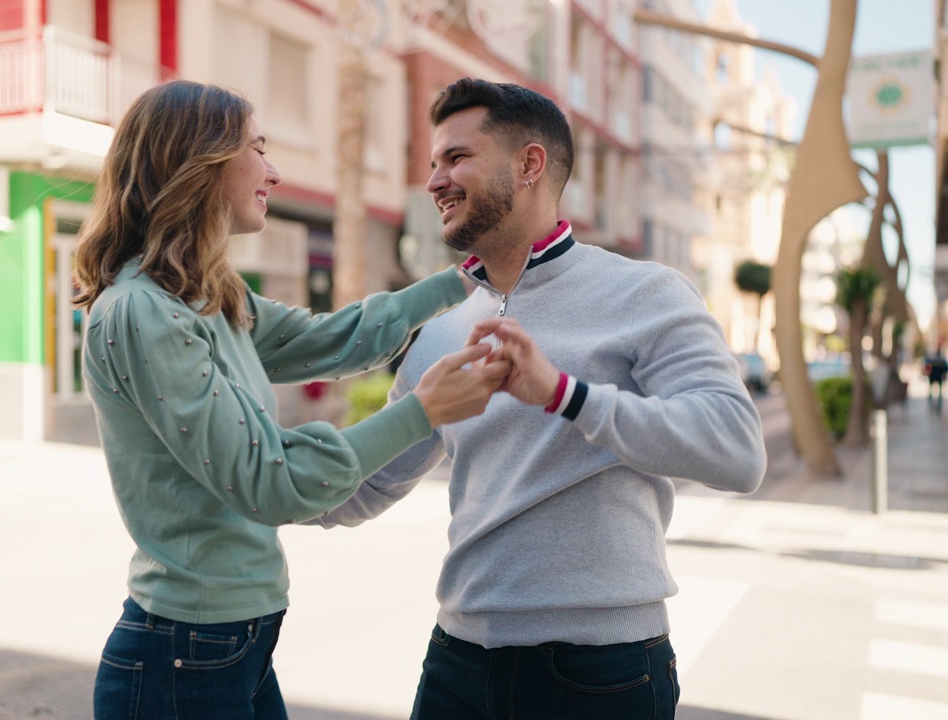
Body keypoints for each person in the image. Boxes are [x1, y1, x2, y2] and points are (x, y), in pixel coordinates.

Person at [315, 78, 767, 719]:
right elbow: (370, 485)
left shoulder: (646, 293)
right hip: (457, 662)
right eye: (434, 162)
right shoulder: (442, 323)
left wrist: (563, 393)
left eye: (457, 158)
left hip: (601, 672)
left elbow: (738, 451)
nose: (435, 180)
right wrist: (241, 478)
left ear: (530, 164)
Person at [72, 80, 510, 720]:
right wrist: (422, 412)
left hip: (228, 645)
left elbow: (334, 341)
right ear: (201, 163)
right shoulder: (143, 312)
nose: (273, 171)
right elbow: (268, 482)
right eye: (257, 148)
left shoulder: (208, 296)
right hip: (180, 659)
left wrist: (465, 274)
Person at [926, 346, 948, 413]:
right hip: (939, 378)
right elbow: (946, 369)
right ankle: (938, 405)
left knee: (931, 391)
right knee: (939, 393)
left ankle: (931, 404)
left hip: (932, 377)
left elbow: (927, 368)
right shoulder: (942, 361)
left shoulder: (932, 360)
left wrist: (929, 374)